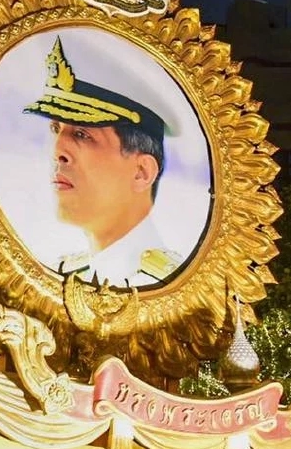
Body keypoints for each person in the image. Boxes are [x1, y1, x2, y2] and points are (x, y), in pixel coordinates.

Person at [23, 36, 183, 287]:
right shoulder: (65, 271)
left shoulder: (172, 286)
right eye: (55, 129)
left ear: (141, 172)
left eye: (82, 134)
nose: (57, 152)